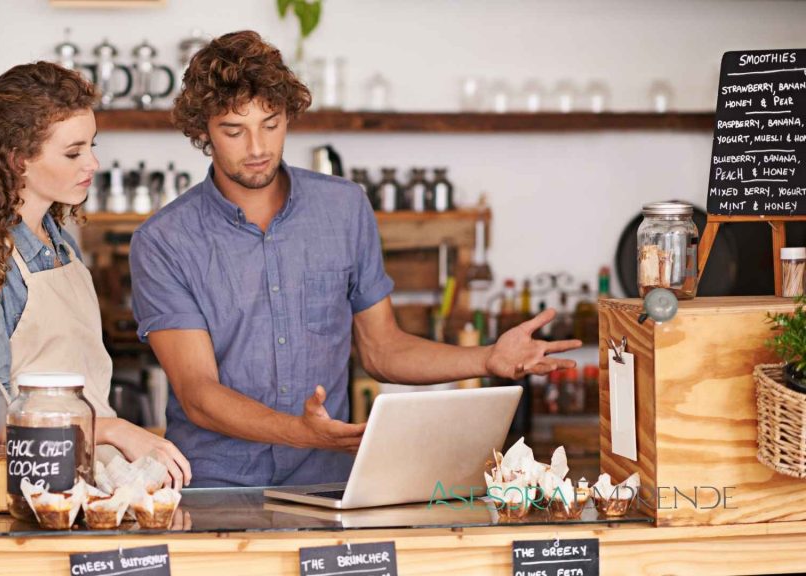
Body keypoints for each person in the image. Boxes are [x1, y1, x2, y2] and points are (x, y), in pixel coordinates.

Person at [130, 31, 581, 488]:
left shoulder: (344, 208)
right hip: (213, 487)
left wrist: (488, 359)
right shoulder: (164, 240)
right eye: (234, 130)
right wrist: (303, 433)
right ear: (202, 129)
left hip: (324, 483)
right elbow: (199, 395)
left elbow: (383, 349)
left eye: (271, 123)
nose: (257, 148)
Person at [0, 61, 190, 488]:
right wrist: (115, 430)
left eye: (91, 146)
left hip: (88, 473)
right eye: (73, 152)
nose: (93, 163)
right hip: (35, 482)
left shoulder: (60, 243)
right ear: (18, 160)